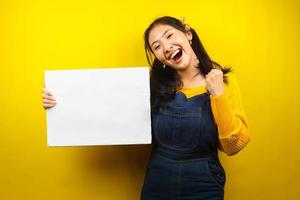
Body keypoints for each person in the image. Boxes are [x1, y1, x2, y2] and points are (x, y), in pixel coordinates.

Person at [42, 16, 250, 200]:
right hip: (157, 183)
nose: (166, 47)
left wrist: (218, 94)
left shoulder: (224, 81)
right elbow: (105, 109)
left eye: (169, 36)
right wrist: (60, 101)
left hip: (204, 185)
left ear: (188, 34)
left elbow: (232, 146)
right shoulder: (150, 88)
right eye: (157, 46)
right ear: (158, 58)